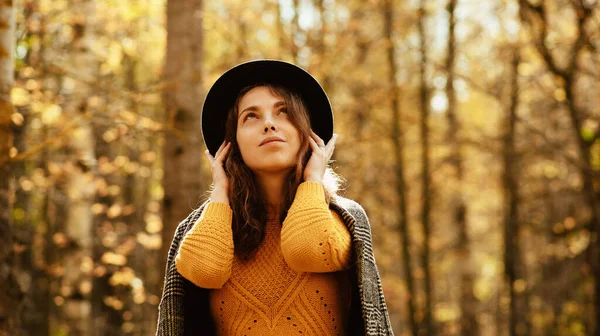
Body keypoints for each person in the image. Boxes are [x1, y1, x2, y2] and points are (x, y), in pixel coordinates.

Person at [156, 60, 394, 336]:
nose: (269, 124)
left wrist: (313, 179)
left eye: (283, 112)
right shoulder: (202, 226)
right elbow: (206, 270)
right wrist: (221, 192)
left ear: (308, 134)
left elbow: (305, 249)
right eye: (251, 116)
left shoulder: (343, 217)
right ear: (230, 144)